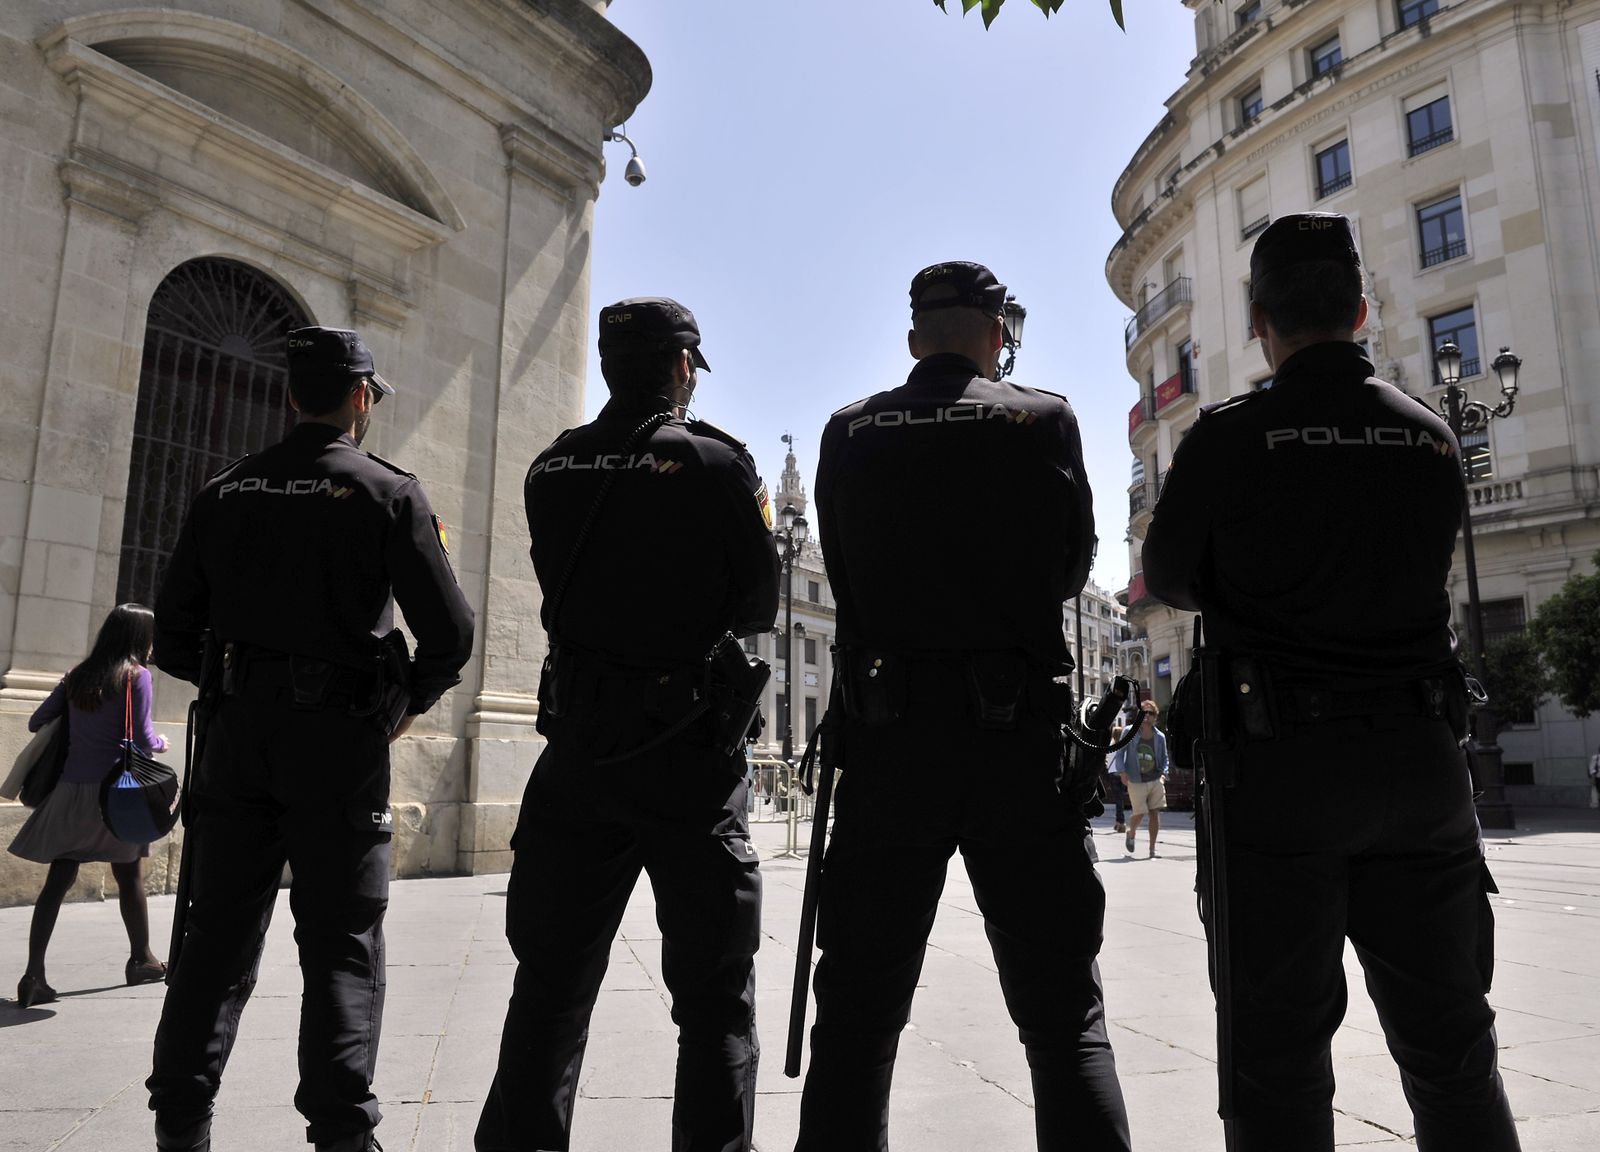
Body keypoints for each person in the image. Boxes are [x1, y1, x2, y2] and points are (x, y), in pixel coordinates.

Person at [1142, 212, 1521, 1151]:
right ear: (1360, 311)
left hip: (1281, 777)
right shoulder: (1431, 435)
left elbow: (1173, 577)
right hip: (1421, 767)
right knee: (1453, 1050)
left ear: (1260, 324)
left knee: (1275, 1063)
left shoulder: (1229, 440)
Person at [794, 261, 1131, 1152]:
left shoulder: (849, 429)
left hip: (888, 743)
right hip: (1016, 743)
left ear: (915, 340)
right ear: (996, 335)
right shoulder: (1044, 419)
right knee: (1065, 1018)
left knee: (856, 1018)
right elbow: (1071, 567)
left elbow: (844, 568)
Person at [146, 326, 475, 1152]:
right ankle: (341, 1134)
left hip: (236, 739)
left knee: (214, 939)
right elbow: (451, 633)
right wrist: (405, 704)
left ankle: (181, 1126)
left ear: (293, 395)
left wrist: (235, 680)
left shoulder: (225, 491)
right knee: (342, 943)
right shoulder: (387, 492)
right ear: (361, 397)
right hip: (339, 743)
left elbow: (173, 632)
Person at [476, 297, 778, 1152]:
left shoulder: (552, 466)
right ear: (682, 366)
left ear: (609, 365)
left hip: (579, 748)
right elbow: (759, 603)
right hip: (688, 750)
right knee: (715, 997)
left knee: (549, 985)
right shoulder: (716, 462)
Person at [10, 603, 171, 1008]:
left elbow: (36, 722)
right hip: (116, 795)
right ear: (139, 638)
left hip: (70, 791)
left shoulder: (76, 677)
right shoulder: (137, 676)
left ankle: (33, 975)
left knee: (58, 879)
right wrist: (161, 743)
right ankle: (141, 960)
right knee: (129, 875)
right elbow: (142, 738)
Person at [1110, 700, 1167, 857]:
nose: (1147, 716)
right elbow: (1120, 754)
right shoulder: (1129, 731)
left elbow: (1164, 758)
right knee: (1140, 812)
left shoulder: (1160, 736)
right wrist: (1122, 772)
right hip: (1135, 779)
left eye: (1150, 713)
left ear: (1155, 716)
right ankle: (1131, 832)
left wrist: (1163, 773)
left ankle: (1152, 849)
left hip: (1155, 778)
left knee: (1154, 812)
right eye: (1144, 713)